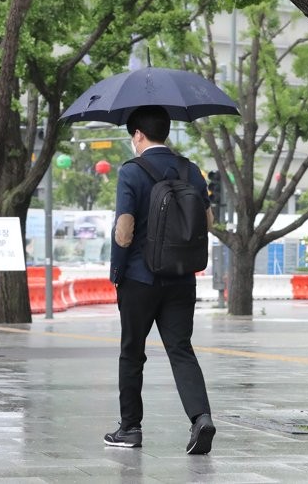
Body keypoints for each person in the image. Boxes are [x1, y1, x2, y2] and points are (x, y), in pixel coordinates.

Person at [104, 105, 216, 455]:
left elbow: (124, 231)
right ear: (165, 132)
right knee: (181, 350)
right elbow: (208, 223)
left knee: (132, 353)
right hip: (182, 278)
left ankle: (130, 429)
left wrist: (118, 271)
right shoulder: (190, 170)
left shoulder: (131, 172)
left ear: (138, 134)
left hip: (140, 278)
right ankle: (201, 418)